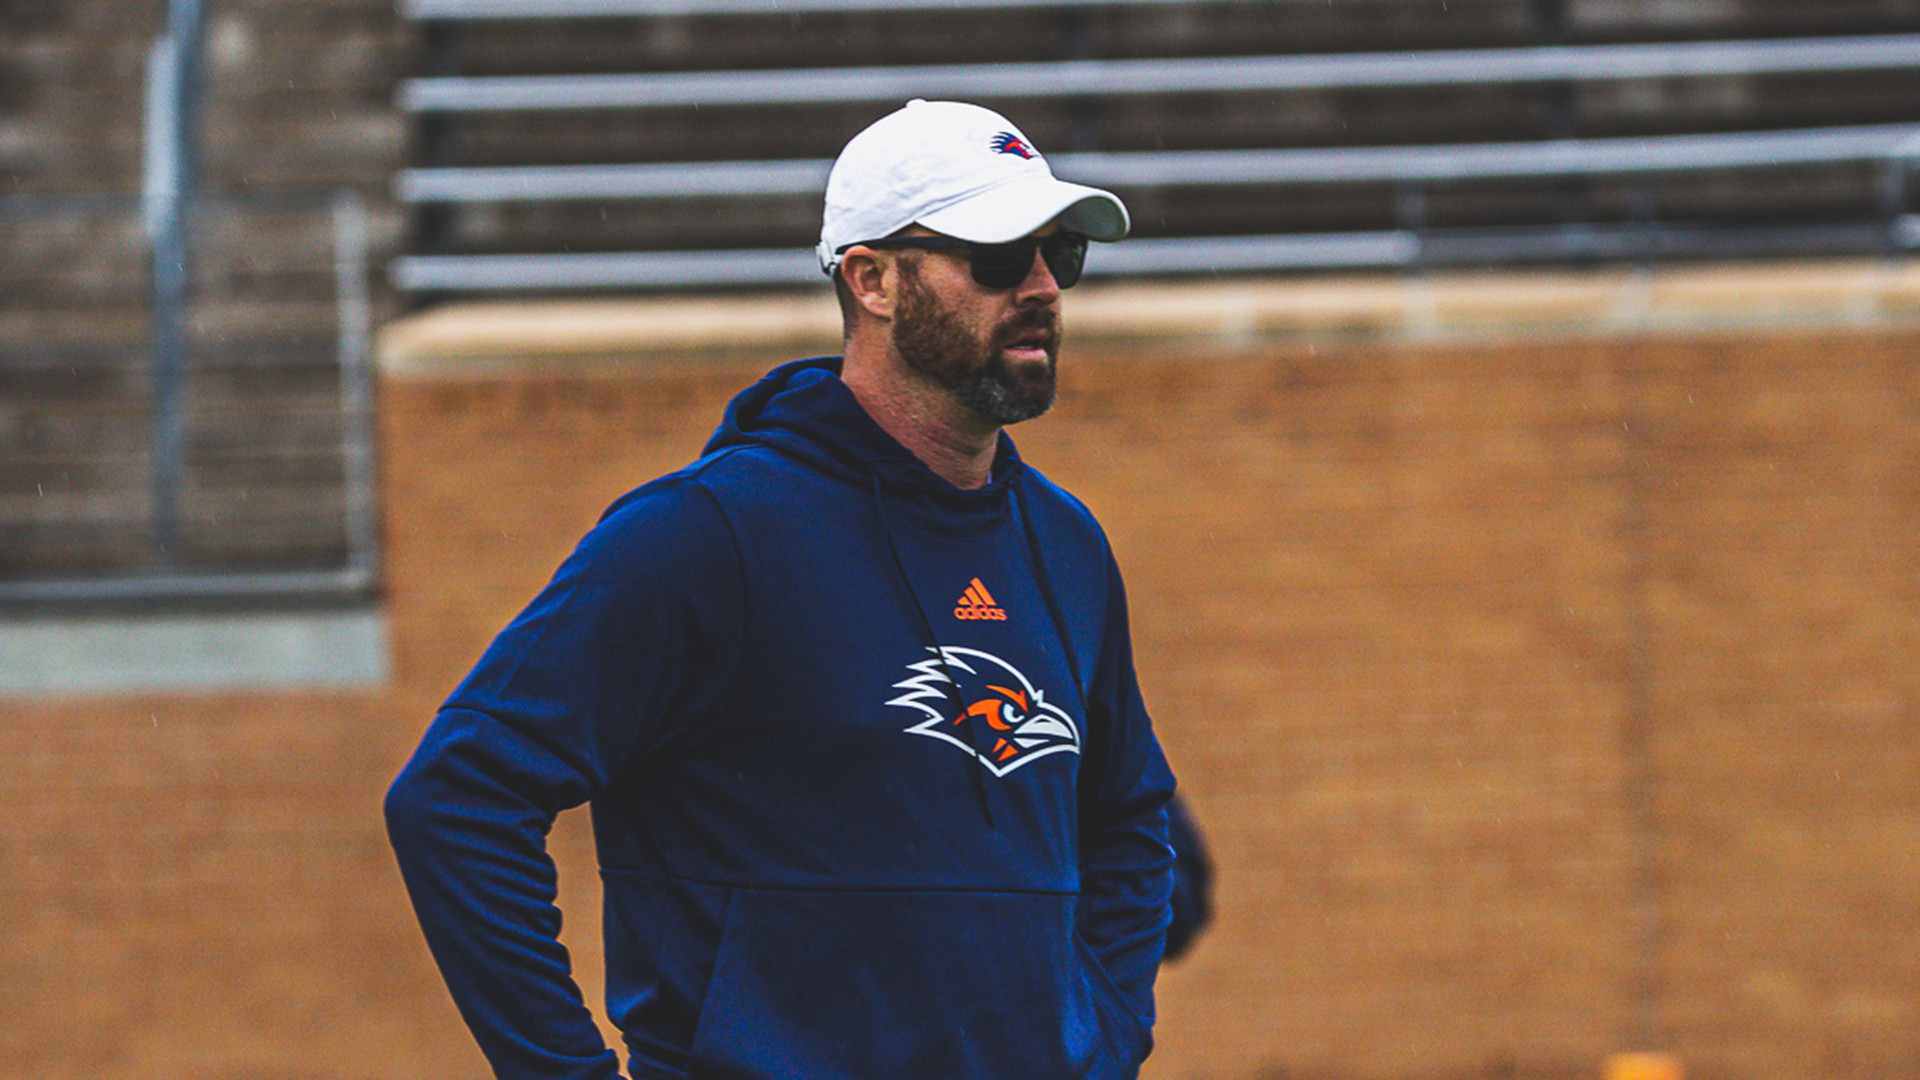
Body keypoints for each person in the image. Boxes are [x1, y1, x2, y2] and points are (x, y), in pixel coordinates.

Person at [385, 98, 1178, 1080]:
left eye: (1063, 255)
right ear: (873, 280)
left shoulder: (1066, 544)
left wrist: (1099, 1039)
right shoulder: (704, 537)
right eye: (1000, 257)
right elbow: (456, 799)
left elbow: (1129, 820)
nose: (1047, 288)